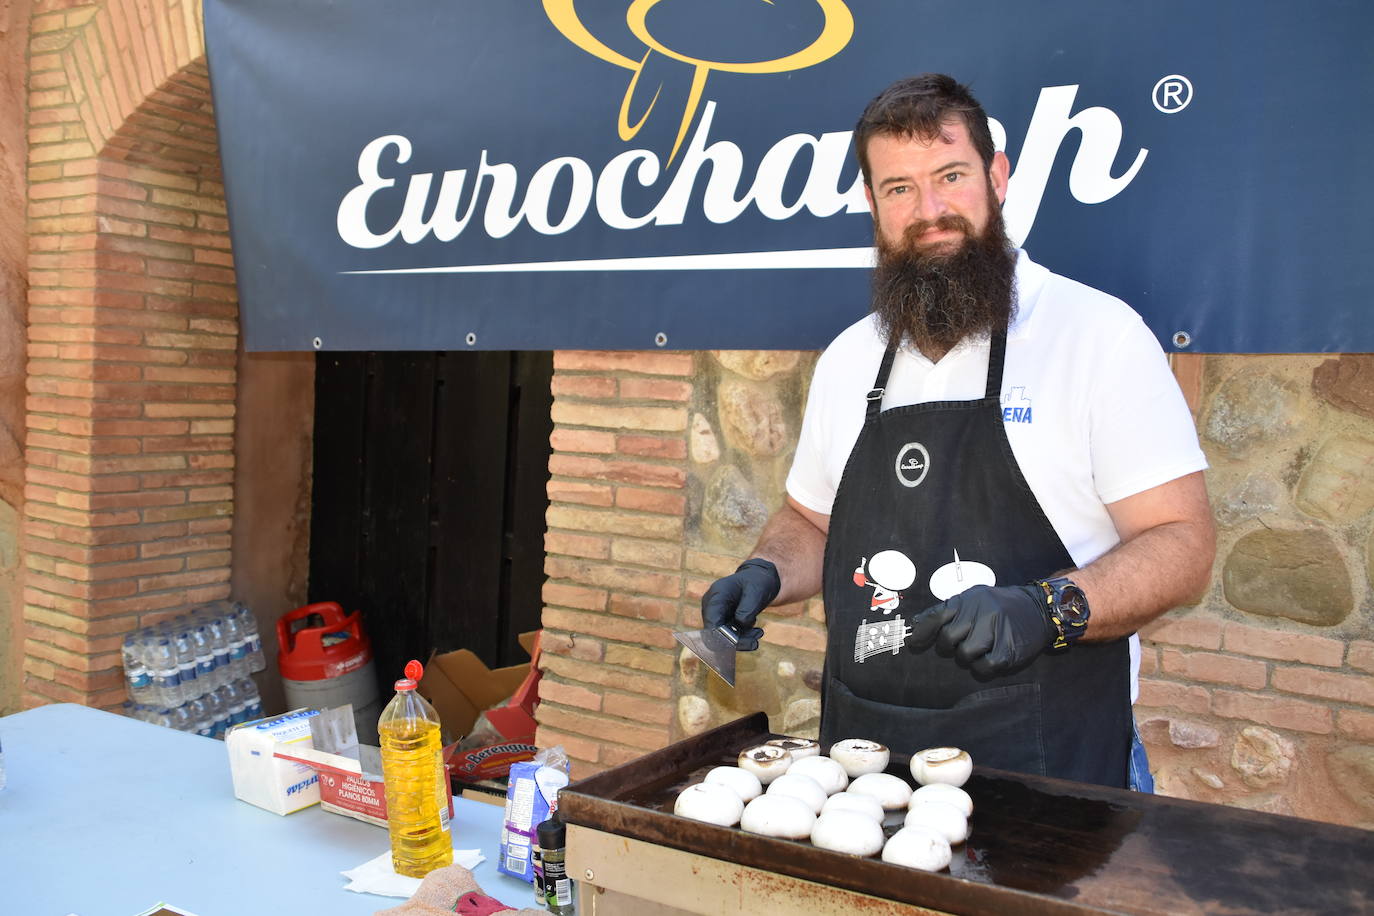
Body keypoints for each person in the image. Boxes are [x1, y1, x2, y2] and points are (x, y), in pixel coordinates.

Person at [700, 74, 1215, 790]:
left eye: (950, 176)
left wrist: (1049, 609)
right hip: (867, 766)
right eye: (900, 188)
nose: (929, 210)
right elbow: (812, 523)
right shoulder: (853, 357)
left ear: (997, 176)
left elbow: (1183, 543)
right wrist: (764, 574)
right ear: (872, 205)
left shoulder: (1096, 336)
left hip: (1051, 761)